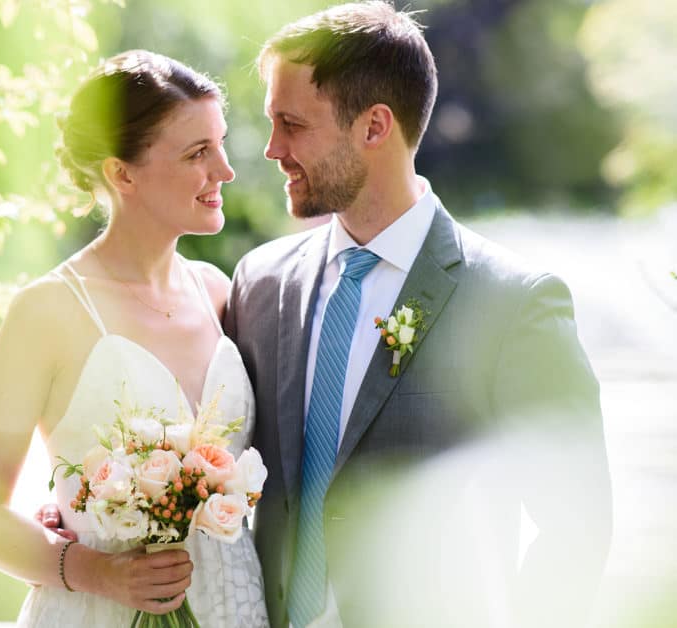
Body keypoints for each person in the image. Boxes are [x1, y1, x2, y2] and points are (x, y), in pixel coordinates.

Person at [223, 3, 612, 628]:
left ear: (375, 126)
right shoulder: (260, 284)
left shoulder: (514, 304)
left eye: (292, 124)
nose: (272, 149)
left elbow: (577, 526)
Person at [0, 50, 269, 627]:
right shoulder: (47, 312)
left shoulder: (218, 292)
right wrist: (97, 570)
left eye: (220, 144)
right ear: (122, 173)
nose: (225, 170)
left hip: (234, 608)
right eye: (198, 153)